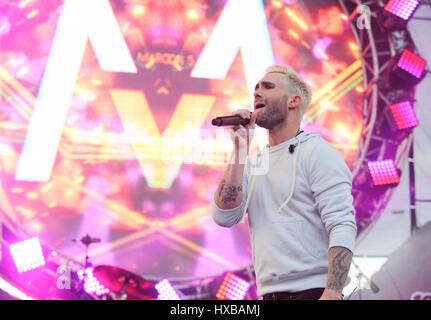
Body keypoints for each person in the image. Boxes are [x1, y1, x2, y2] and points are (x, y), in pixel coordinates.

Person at [212, 65, 357, 300]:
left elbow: (341, 223)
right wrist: (240, 148)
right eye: (256, 89)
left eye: (268, 87)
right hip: (269, 294)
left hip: (314, 291)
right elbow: (224, 217)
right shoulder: (254, 164)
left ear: (293, 101)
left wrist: (333, 291)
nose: (257, 93)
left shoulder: (317, 152)